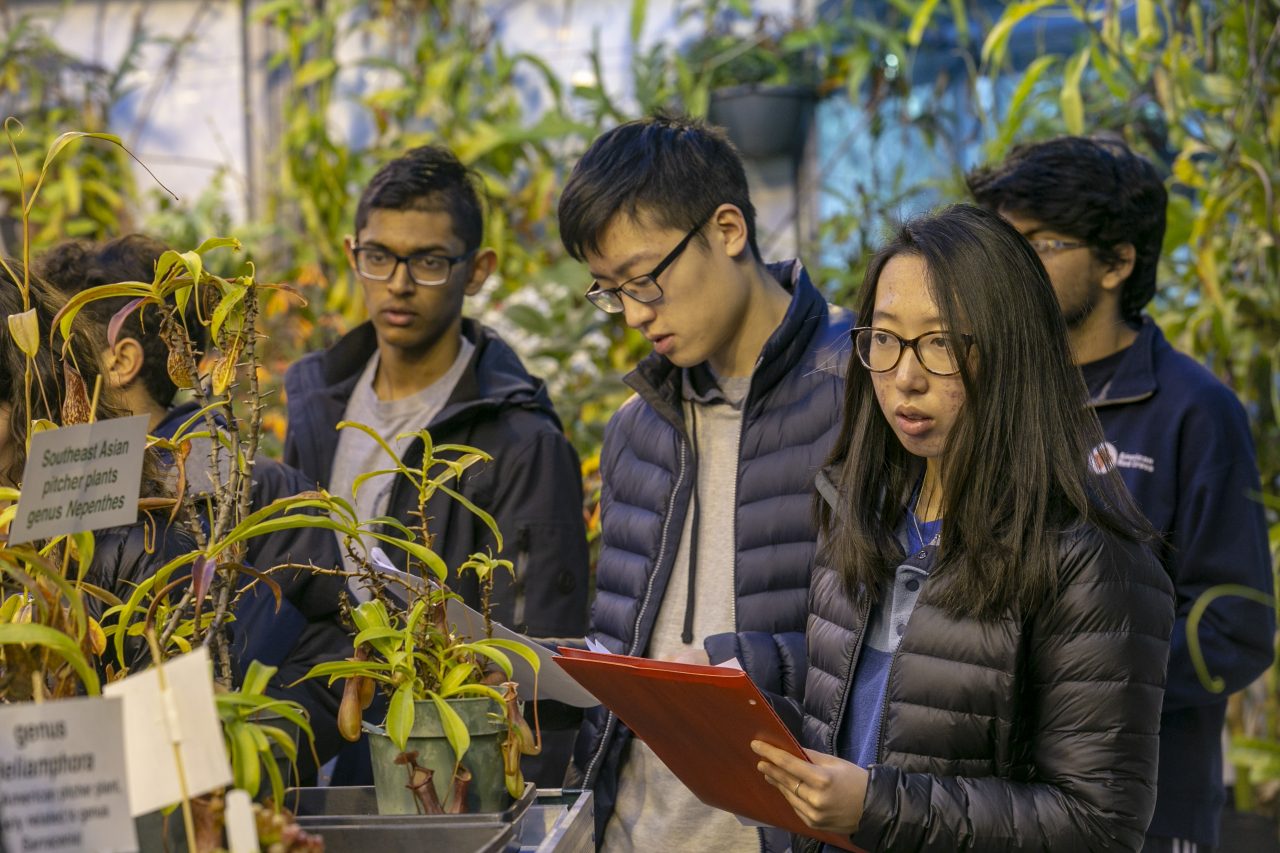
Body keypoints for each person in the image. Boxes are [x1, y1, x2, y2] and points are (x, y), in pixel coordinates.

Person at [748, 203, 1175, 852]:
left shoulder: (1090, 561)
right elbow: (870, 699)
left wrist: (876, 805)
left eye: (942, 343)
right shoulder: (861, 513)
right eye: (884, 338)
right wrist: (742, 664)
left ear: (1012, 352)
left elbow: (1097, 825)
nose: (905, 378)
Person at [967, 136, 1275, 852]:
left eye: (1040, 244)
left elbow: (1234, 629)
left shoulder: (1194, 409)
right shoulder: (988, 397)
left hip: (1144, 811)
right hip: (995, 804)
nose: (1013, 269)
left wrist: (1069, 681)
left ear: (1117, 261)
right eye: (1004, 245)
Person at [557, 112, 850, 850]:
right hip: (629, 832)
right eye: (608, 290)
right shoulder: (637, 428)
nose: (632, 313)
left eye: (645, 278)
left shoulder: (862, 396)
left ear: (727, 229)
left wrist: (736, 667)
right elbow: (625, 639)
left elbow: (906, 653)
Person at [283, 145, 590, 785]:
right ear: (351, 255)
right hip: (319, 757)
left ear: (476, 270)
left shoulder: (520, 440)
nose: (397, 283)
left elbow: (538, 670)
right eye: (379, 257)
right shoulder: (316, 401)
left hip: (443, 775)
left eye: (427, 262)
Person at [37, 234, 351, 781]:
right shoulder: (62, 487)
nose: (40, 376)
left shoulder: (255, 491)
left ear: (121, 361)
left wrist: (235, 752)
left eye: (63, 351)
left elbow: (333, 661)